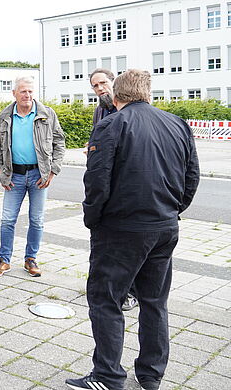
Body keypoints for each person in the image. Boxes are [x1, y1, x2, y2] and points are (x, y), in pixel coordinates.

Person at [67, 70, 200, 390]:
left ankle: (107, 375)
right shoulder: (177, 124)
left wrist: (92, 219)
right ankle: (151, 374)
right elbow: (191, 176)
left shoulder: (110, 125)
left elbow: (96, 181)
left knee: (105, 299)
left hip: (121, 229)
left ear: (116, 97)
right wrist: (172, 210)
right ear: (148, 94)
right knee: (154, 301)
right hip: (164, 226)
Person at [0, 76, 66, 278]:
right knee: (7, 220)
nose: (27, 95)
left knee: (37, 220)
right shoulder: (5, 115)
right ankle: (4, 260)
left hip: (38, 176)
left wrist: (53, 170)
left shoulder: (47, 114)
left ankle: (30, 259)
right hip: (13, 175)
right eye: (23, 91)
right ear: (14, 93)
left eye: (31, 91)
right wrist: (0, 170)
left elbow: (60, 143)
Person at [89, 68, 138, 312]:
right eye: (95, 86)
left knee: (130, 248)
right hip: (107, 188)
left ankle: (130, 292)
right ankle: (112, 288)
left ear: (114, 82)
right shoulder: (100, 110)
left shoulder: (128, 109)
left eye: (103, 83)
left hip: (128, 188)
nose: (100, 89)